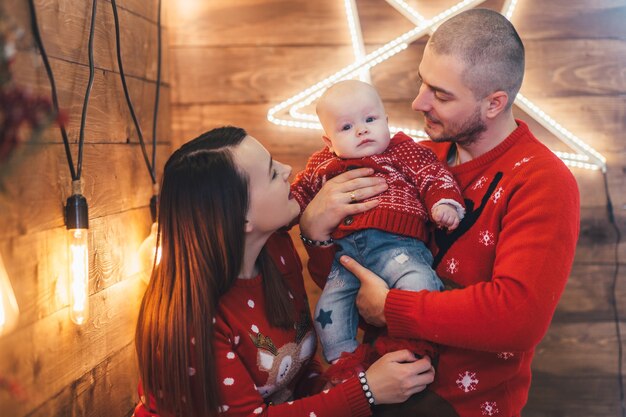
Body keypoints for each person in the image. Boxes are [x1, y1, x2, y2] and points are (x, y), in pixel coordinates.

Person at [301, 8, 580, 417]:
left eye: (441, 95)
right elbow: (347, 278)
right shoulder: (411, 159)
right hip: (380, 391)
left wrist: (393, 307)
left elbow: (519, 317)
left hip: (463, 406)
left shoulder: (541, 180)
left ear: (494, 103)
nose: (418, 103)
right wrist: (315, 232)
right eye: (422, 83)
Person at [132, 126, 436, 417]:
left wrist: (335, 384)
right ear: (240, 217)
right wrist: (366, 391)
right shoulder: (192, 321)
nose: (287, 169)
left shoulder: (276, 251)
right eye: (271, 172)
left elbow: (295, 374)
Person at [291, 80, 465, 372]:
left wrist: (443, 203)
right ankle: (343, 363)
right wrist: (287, 213)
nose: (361, 130)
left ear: (386, 121)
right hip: (345, 258)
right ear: (328, 141)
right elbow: (299, 195)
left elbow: (433, 175)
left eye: (370, 120)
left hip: (398, 247)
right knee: (327, 311)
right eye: (346, 127)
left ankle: (408, 347)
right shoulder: (321, 165)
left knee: (417, 283)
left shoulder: (403, 152)